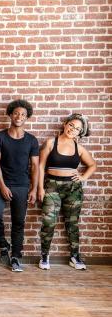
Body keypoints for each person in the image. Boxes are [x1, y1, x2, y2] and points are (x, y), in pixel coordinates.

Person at [38, 113, 96, 270]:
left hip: (73, 189)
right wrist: (40, 188)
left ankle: (74, 257)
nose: (73, 129)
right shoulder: (51, 142)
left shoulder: (79, 148)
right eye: (71, 125)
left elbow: (92, 165)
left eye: (77, 129)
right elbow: (40, 167)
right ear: (65, 124)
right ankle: (44, 256)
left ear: (80, 133)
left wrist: (83, 177)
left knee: (72, 224)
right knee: (49, 222)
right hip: (52, 186)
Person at [0, 100, 39, 272]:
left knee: (18, 222)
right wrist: (2, 186)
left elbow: (35, 166)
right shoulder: (0, 137)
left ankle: (16, 257)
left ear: (27, 118)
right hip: (1, 183)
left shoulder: (32, 140)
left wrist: (33, 188)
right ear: (10, 114)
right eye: (16, 113)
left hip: (22, 185)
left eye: (23, 115)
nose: (19, 117)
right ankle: (3, 244)